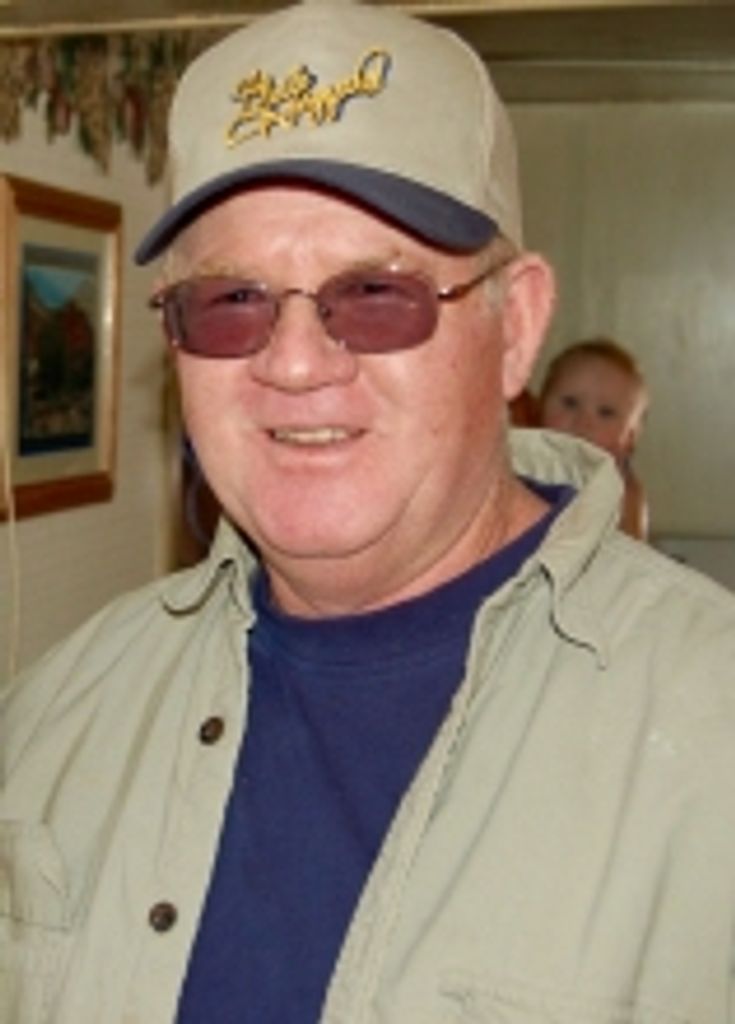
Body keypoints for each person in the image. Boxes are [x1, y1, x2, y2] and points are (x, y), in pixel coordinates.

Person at [2, 3, 735, 1022]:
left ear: (516, 326)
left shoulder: (709, 735)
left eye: (376, 294)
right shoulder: (53, 716)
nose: (295, 363)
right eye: (232, 302)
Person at [538, 337, 650, 539]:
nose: (583, 423)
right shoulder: (523, 463)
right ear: (540, 405)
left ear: (629, 438)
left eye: (605, 413)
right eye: (570, 403)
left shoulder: (622, 493)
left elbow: (629, 551)